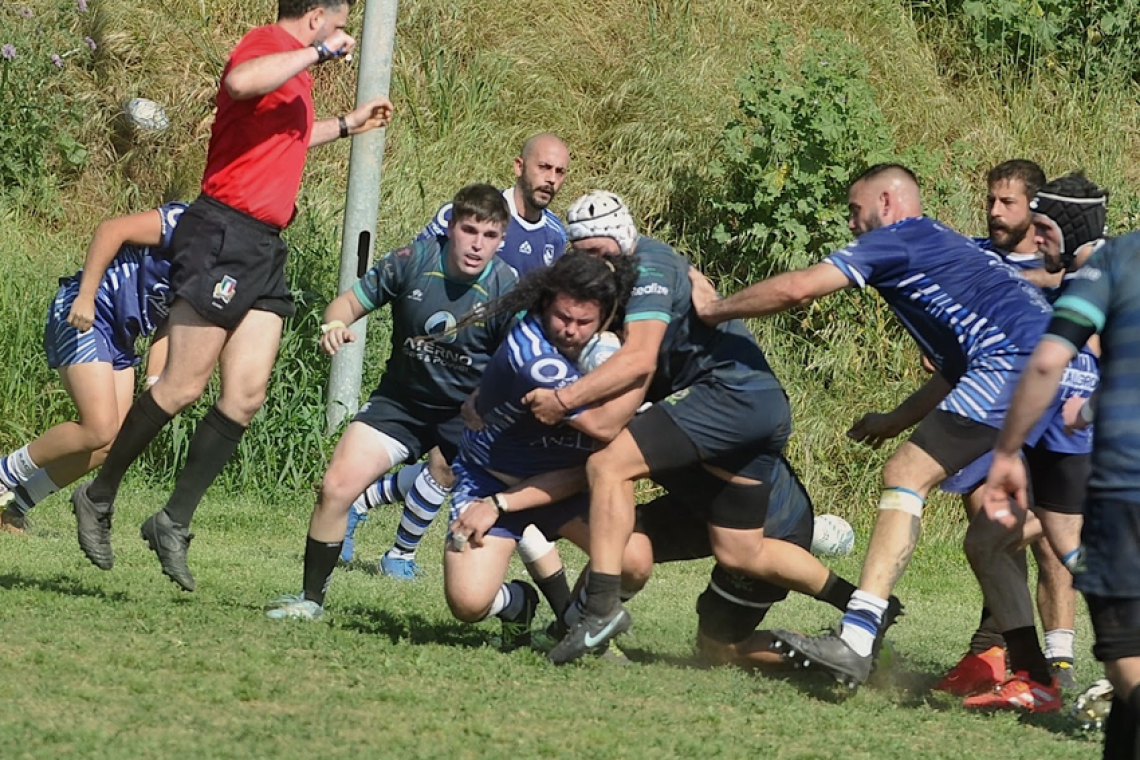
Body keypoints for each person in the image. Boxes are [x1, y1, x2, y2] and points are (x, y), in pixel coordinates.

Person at [687, 164, 1063, 689]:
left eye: (854, 211)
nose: (851, 225)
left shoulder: (899, 238)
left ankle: (856, 638)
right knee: (987, 540)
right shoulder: (943, 251)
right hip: (1054, 371)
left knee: (906, 473)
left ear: (887, 203)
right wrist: (895, 419)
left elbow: (799, 288)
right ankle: (1035, 675)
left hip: (1018, 364)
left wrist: (713, 309)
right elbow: (954, 371)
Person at [68, 0, 393, 591]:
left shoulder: (295, 72)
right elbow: (241, 81)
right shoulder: (266, 44)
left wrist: (348, 124)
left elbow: (284, 140)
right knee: (182, 387)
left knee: (245, 397)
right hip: (222, 232)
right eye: (342, 23)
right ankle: (99, 494)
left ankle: (172, 521)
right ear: (316, 17)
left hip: (265, 245)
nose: (346, 35)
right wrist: (318, 53)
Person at [520, 192, 886, 666]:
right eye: (583, 253)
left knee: (611, 467)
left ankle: (597, 614)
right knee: (695, 552)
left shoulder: (650, 267)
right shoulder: (636, 286)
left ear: (625, 238)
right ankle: (862, 620)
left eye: (601, 251)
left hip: (740, 412)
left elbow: (638, 360)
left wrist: (563, 404)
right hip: (740, 450)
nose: (595, 265)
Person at [266, 183, 517, 621]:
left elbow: (517, 364)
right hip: (401, 403)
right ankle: (310, 601)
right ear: (451, 227)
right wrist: (334, 326)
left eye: (490, 235)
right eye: (470, 230)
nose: (478, 245)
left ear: (502, 239)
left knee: (503, 537)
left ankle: (528, 604)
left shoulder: (505, 287)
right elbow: (344, 304)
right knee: (335, 487)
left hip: (467, 416)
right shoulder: (413, 261)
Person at [342, 133, 571, 578]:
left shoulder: (555, 236)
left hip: (502, 368)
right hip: (441, 359)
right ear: (518, 165)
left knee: (459, 468)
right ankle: (400, 554)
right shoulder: (475, 216)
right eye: (544, 168)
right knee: (452, 465)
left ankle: (365, 504)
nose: (551, 179)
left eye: (560, 172)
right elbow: (421, 267)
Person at [980, 229, 1140, 759]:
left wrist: (1007, 452)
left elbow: (1051, 360)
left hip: (1119, 477)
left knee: (1125, 653)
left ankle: (1057, 672)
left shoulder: (1118, 260)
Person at [951, 173, 1106, 710]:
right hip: (1074, 447)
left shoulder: (1105, 278)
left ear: (1066, 226)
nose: (1035, 242)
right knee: (990, 542)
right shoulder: (1082, 276)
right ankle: (1037, 676)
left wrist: (1088, 410)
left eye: (1043, 228)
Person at [443, 249, 647, 648]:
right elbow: (603, 426)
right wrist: (640, 371)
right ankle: (517, 603)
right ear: (544, 303)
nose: (570, 330)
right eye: (561, 317)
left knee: (635, 562)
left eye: (583, 322)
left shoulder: (613, 341)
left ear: (606, 316)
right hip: (491, 478)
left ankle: (574, 624)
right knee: (468, 603)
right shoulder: (533, 358)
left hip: (566, 486)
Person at [0, 203, 186, 532]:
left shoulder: (224, 262)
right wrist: (85, 295)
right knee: (99, 426)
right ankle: (4, 474)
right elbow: (111, 230)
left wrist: (156, 379)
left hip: (121, 336)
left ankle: (14, 509)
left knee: (111, 444)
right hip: (89, 309)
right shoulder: (184, 221)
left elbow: (171, 321)